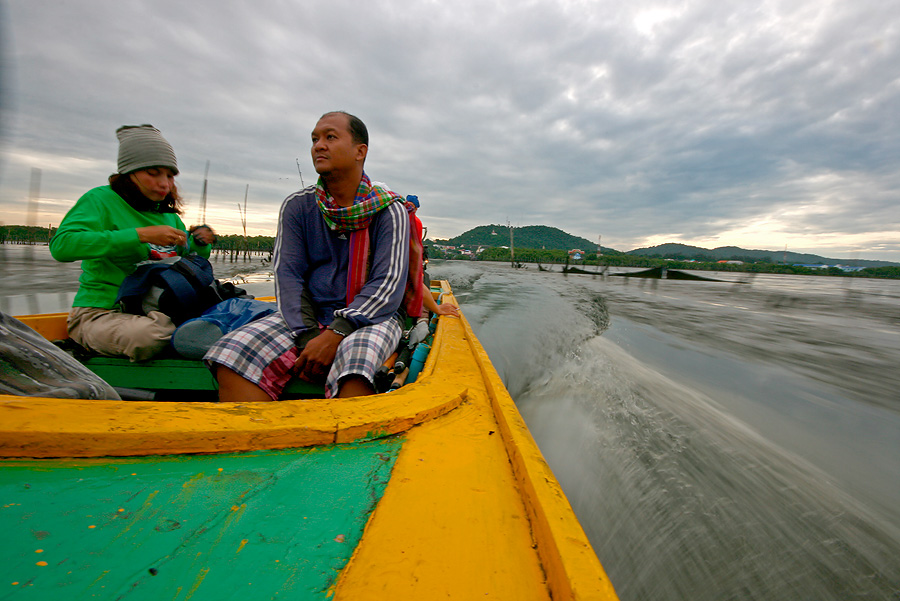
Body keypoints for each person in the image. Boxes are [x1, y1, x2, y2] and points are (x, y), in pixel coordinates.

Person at [206, 111, 422, 401]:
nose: (319, 145)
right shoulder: (298, 206)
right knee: (233, 353)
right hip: (309, 316)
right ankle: (263, 442)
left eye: (330, 137)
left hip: (373, 317)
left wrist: (336, 334)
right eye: (315, 139)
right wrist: (309, 338)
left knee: (357, 368)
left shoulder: (389, 210)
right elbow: (289, 276)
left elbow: (388, 283)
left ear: (361, 151)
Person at [50, 124, 215, 361]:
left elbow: (189, 258)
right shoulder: (100, 199)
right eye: (153, 173)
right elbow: (62, 246)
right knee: (152, 335)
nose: (164, 184)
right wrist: (140, 235)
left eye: (169, 176)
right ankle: (83, 343)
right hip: (101, 313)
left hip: (157, 309)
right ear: (129, 173)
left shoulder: (168, 216)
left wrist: (200, 243)